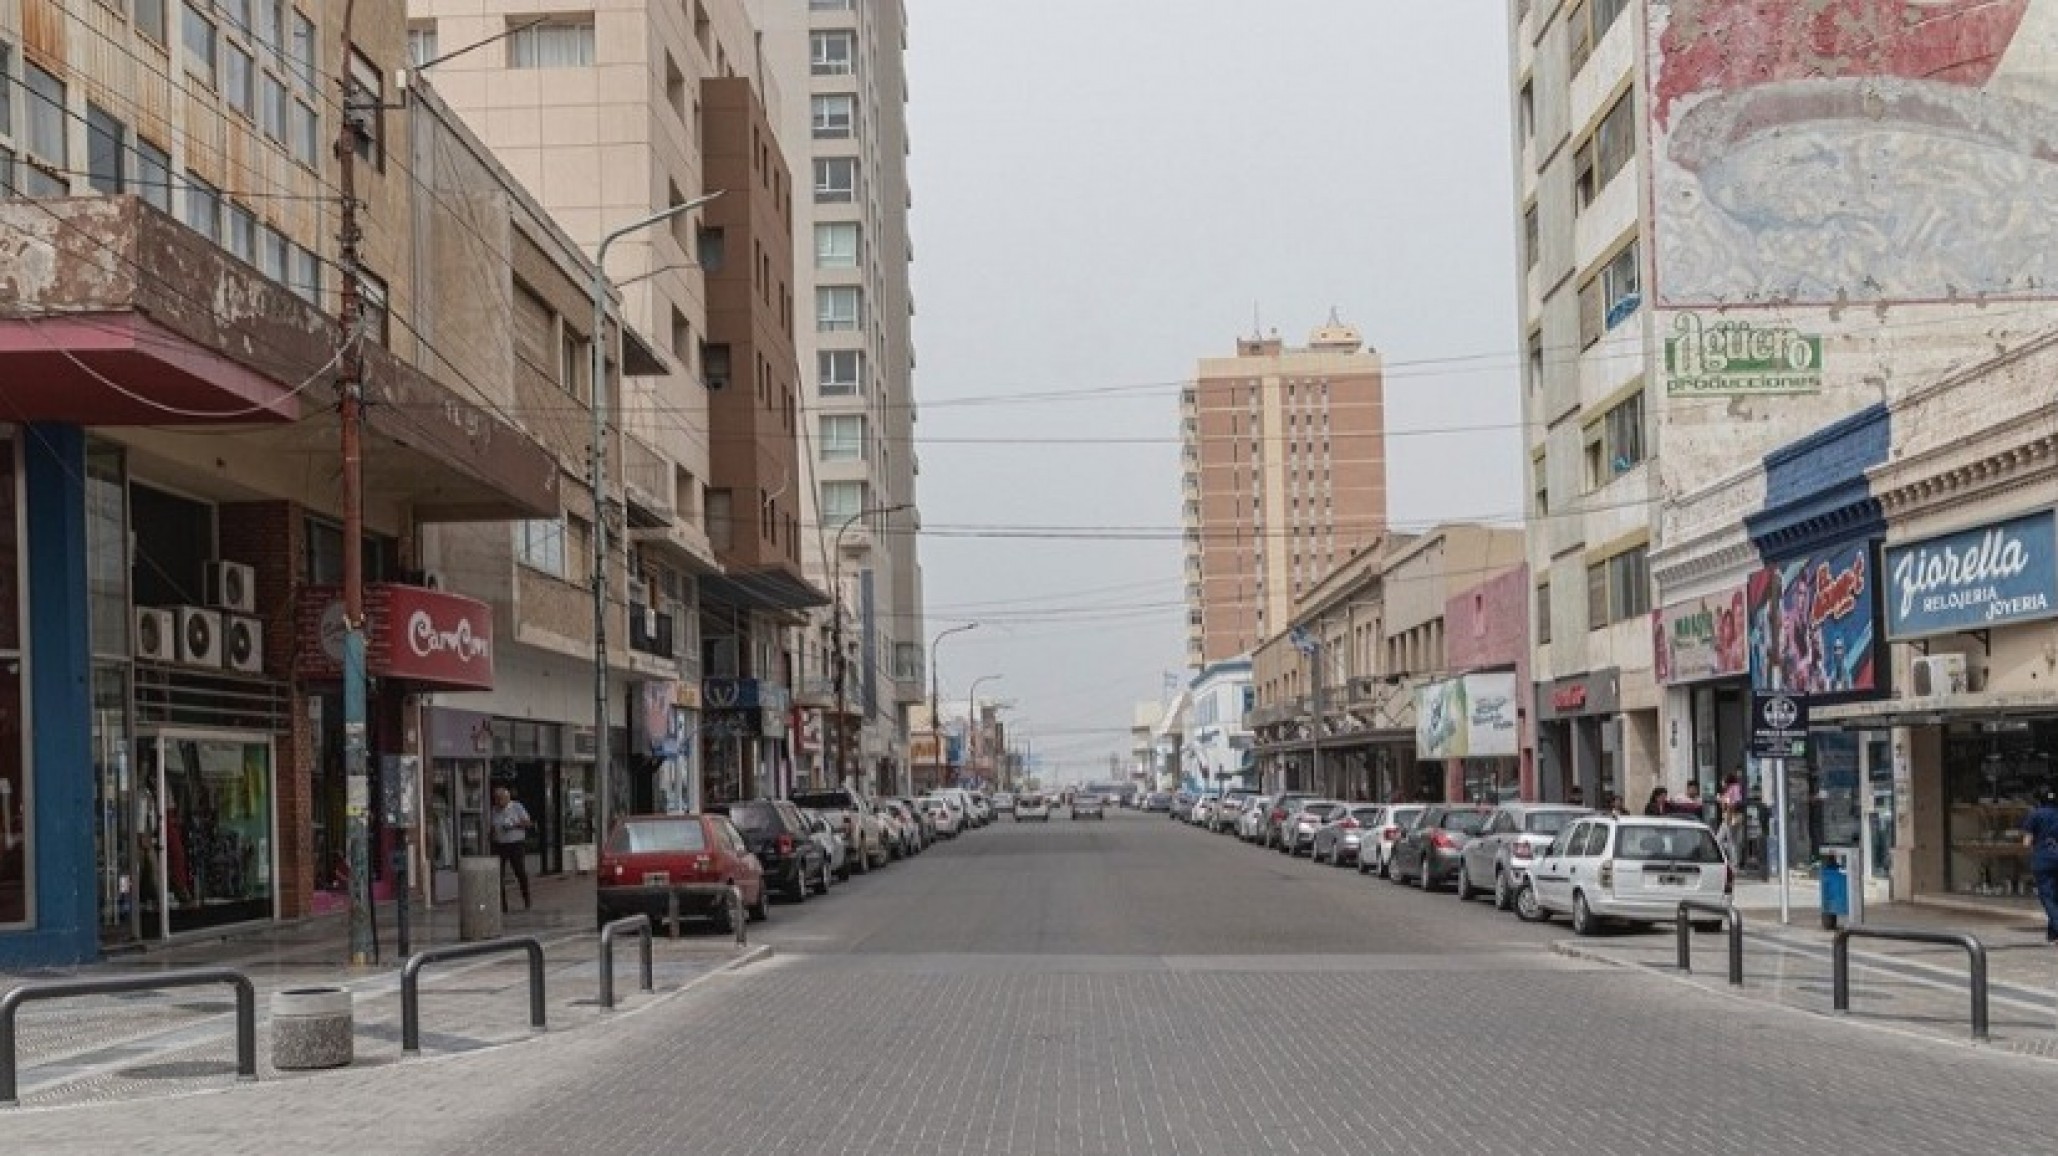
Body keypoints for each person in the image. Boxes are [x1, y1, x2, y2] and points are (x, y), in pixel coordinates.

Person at [2022, 788, 2058, 943]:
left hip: (2043, 859)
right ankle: (2052, 935)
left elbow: (2026, 842)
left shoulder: (2035, 814)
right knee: (2056, 897)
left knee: (2048, 897)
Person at [491, 785, 534, 912]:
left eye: (501, 799)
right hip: (500, 845)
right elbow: (492, 826)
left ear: (507, 798)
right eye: (496, 799)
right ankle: (502, 905)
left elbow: (527, 823)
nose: (498, 802)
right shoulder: (494, 810)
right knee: (498, 875)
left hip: (516, 843)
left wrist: (514, 825)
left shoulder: (517, 807)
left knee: (520, 871)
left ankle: (526, 899)